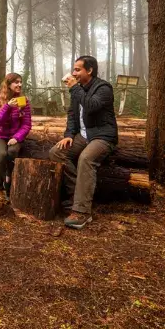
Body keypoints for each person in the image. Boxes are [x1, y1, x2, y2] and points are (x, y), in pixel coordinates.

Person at [49, 56, 118, 229]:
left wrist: (74, 88)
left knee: (86, 159)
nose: (74, 73)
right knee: (56, 152)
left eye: (78, 70)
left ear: (90, 70)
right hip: (83, 135)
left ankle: (82, 212)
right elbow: (72, 115)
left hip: (103, 136)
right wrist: (69, 134)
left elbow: (91, 106)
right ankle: (75, 197)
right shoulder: (77, 89)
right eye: (73, 70)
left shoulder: (103, 88)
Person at [0, 72, 32, 206]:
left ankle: (8, 185)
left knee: (12, 152)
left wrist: (17, 137)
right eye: (16, 82)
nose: (19, 84)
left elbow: (27, 124)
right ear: (8, 84)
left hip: (15, 136)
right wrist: (7, 107)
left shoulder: (23, 101)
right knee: (2, 153)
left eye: (20, 82)